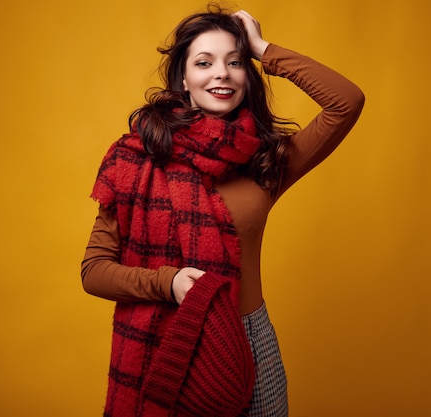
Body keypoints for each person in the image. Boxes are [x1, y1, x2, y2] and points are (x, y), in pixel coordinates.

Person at [82, 5, 364, 417]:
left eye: (234, 62)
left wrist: (262, 48)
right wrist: (170, 283)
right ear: (183, 77)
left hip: (251, 340)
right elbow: (94, 271)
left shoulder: (267, 162)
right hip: (170, 344)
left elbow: (347, 101)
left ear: (247, 77)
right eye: (204, 62)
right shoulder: (135, 161)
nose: (222, 73)